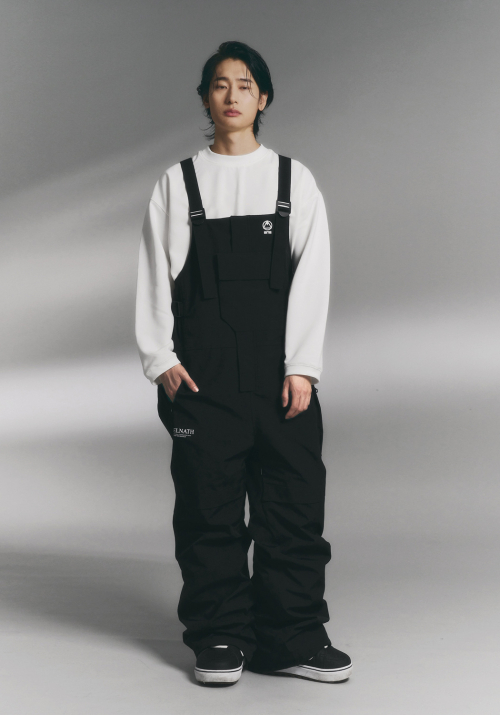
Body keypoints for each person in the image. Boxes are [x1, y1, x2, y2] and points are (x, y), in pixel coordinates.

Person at [135, 40, 352, 686]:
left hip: (281, 378)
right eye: (221, 84)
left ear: (264, 98)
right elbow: (154, 275)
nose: (233, 95)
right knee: (209, 510)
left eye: (246, 84)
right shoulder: (178, 183)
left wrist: (303, 367)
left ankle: (292, 637)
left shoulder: (293, 180)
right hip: (202, 381)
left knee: (293, 507)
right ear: (207, 98)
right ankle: (220, 636)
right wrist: (159, 358)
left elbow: (312, 277)